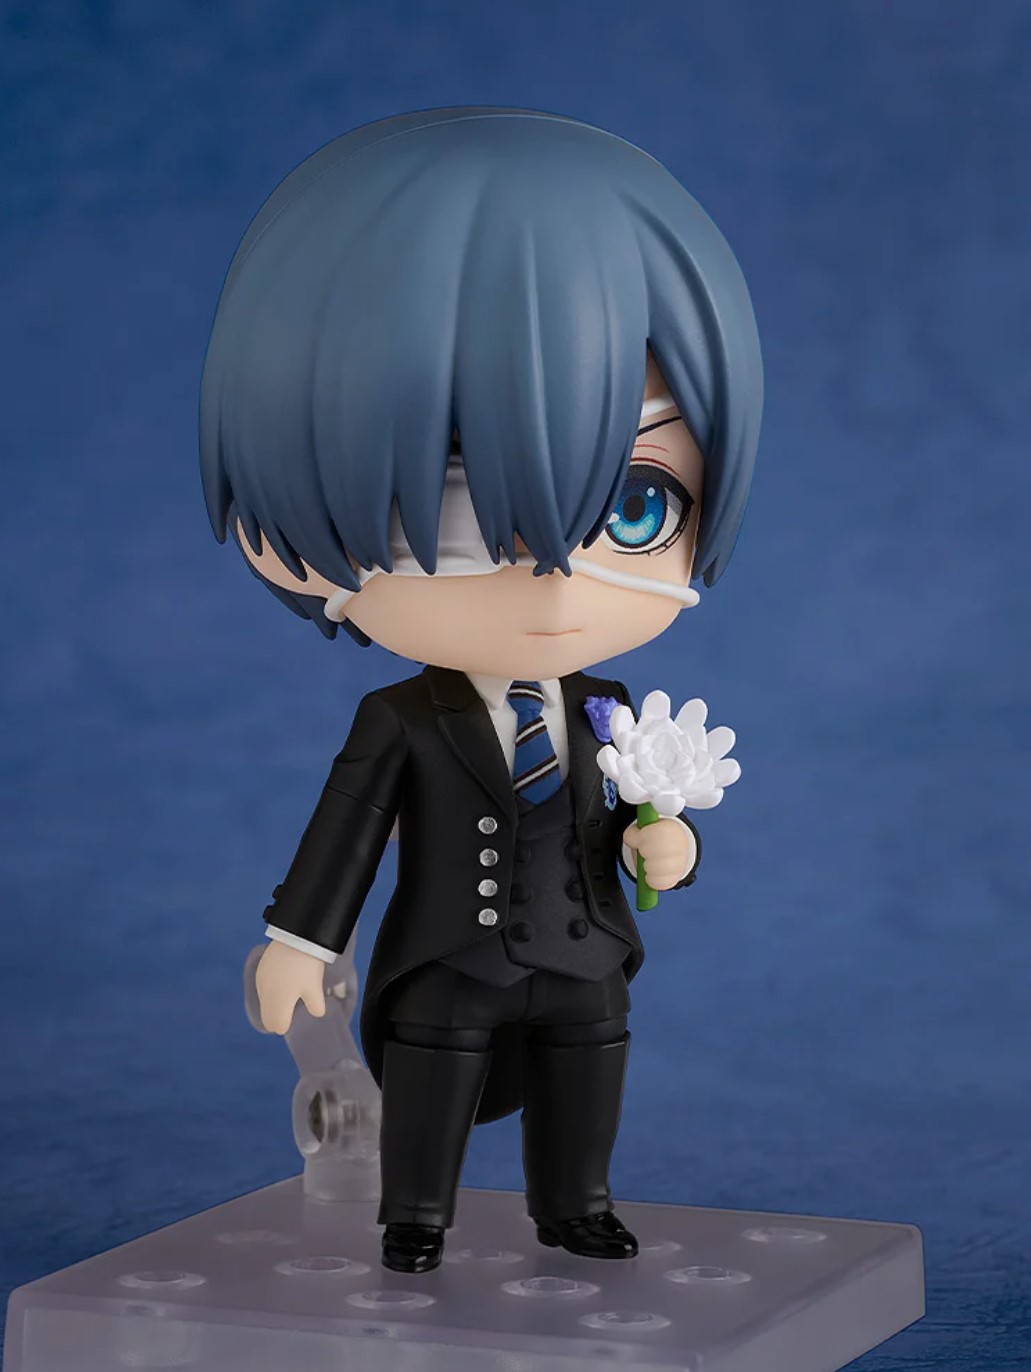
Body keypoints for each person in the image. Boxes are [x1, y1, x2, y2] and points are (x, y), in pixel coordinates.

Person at [199, 107, 763, 1274]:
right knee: (432, 1083)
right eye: (457, 513)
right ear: (290, 540)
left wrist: (669, 850)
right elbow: (345, 836)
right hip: (447, 961)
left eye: (637, 505)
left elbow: (642, 818)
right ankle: (415, 1214)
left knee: (585, 1073)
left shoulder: (608, 709)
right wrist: (298, 940)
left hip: (585, 957)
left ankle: (576, 1204)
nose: (552, 575)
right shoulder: (401, 720)